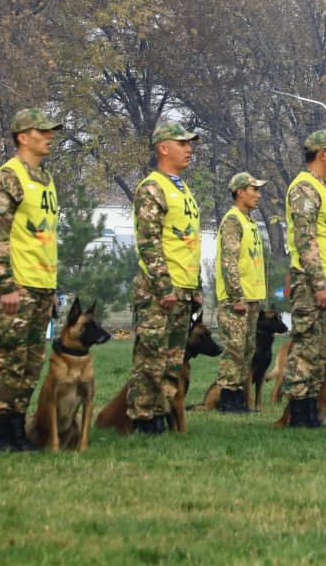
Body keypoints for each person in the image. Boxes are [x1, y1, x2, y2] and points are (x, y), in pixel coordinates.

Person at [0, 108, 63, 451]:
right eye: (41, 131)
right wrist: (5, 285)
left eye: (50, 131)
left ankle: (18, 430)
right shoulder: (8, 177)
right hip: (18, 285)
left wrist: (53, 287)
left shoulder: (45, 179)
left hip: (42, 286)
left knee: (31, 362)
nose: (49, 136)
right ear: (22, 136)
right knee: (9, 360)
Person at [127, 121, 203, 434]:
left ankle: (163, 412)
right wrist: (164, 285)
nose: (189, 149)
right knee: (151, 357)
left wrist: (195, 287)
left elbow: (189, 242)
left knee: (173, 360)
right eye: (182, 143)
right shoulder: (152, 188)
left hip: (183, 289)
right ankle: (144, 417)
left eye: (190, 144)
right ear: (163, 147)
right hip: (161, 290)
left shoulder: (182, 189)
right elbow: (149, 241)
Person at [282, 129, 326, 427]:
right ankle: (298, 414)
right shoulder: (305, 188)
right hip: (312, 284)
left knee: (321, 352)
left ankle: (311, 411)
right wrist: (321, 284)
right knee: (305, 349)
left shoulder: (325, 189)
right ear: (323, 153)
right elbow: (306, 240)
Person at [214, 172, 268, 413]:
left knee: (246, 351)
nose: (258, 194)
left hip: (252, 296)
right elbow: (229, 260)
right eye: (253, 189)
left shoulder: (249, 222)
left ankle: (239, 398)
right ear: (239, 192)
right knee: (234, 350)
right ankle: (227, 398)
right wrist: (236, 295)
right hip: (236, 299)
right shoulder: (233, 220)